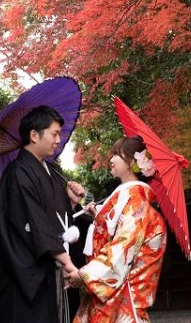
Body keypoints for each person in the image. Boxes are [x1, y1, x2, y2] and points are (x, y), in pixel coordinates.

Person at [0, 105, 88, 323]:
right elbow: (34, 221)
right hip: (27, 278)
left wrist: (70, 204)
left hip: (51, 274)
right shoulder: (18, 172)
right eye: (54, 134)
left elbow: (54, 219)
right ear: (34, 135)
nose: (58, 139)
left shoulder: (49, 172)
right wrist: (67, 262)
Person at [66, 136, 167, 323]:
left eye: (116, 155)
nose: (111, 160)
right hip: (112, 299)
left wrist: (83, 275)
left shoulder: (137, 206)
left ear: (130, 163)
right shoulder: (130, 203)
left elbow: (120, 252)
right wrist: (97, 216)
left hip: (122, 303)